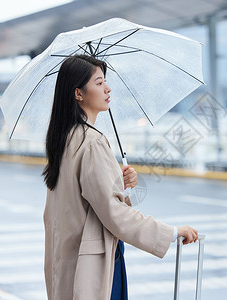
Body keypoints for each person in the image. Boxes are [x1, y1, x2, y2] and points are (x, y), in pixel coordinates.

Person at [42, 54, 198, 300]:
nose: (107, 88)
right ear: (78, 93)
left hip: (67, 262)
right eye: (99, 82)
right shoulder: (91, 141)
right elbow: (114, 213)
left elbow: (80, 204)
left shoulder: (64, 139)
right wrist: (171, 232)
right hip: (93, 267)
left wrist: (120, 185)